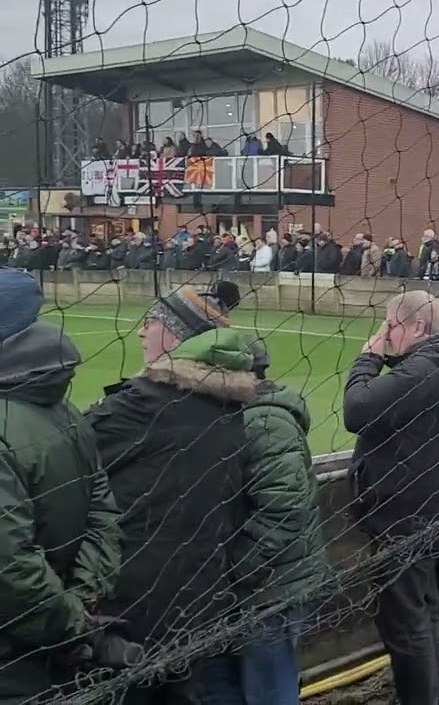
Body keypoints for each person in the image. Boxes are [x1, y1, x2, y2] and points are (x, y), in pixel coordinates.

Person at [89, 285, 257, 704]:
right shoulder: (229, 407)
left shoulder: (145, 404)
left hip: (133, 604)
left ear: (173, 335)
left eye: (151, 323)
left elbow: (61, 454)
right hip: (199, 596)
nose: (142, 333)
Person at [342, 291, 439, 705]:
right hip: (433, 506)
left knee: (406, 624)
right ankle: (431, 695)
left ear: (417, 328)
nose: (385, 334)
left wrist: (368, 359)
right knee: (423, 614)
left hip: (406, 514)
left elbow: (356, 410)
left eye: (391, 326)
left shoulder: (425, 371)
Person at [0, 270, 123, 703]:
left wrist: (69, 619)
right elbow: (103, 514)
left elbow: (10, 564)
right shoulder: (64, 410)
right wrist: (82, 600)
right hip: (53, 651)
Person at [196, 340, 328, 705]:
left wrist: (237, 569)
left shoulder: (266, 422)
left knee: (269, 692)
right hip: (258, 589)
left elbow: (283, 509)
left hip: (272, 590)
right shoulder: (244, 417)